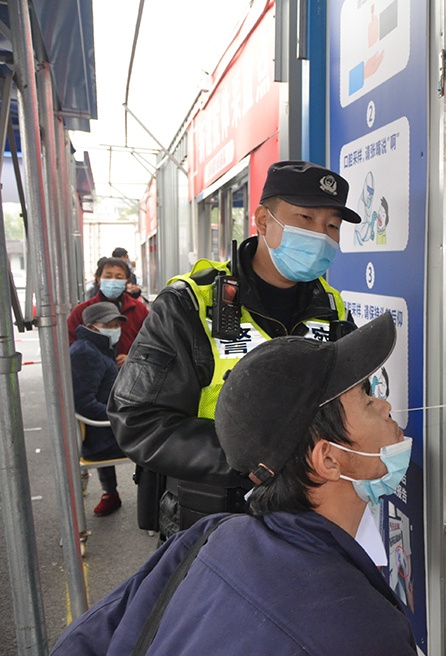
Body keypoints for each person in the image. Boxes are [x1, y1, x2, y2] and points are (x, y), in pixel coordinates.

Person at [51, 313, 417, 655]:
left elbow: (88, 637)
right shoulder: (363, 630)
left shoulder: (208, 536)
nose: (385, 406)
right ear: (329, 460)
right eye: (367, 400)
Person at [108, 160, 361, 540]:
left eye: (332, 227)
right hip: (211, 522)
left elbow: (352, 402)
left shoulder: (333, 309)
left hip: (309, 516)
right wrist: (256, 461)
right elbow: (137, 419)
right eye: (305, 218)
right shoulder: (189, 304)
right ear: (262, 220)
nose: (320, 236)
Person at [70, 302, 129, 516]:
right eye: (108, 324)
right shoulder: (85, 353)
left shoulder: (96, 348)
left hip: (101, 433)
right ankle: (152, 503)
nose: (114, 329)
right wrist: (121, 417)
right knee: (153, 440)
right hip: (102, 439)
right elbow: (83, 403)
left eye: (116, 324)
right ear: (91, 326)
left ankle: (110, 494)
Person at [69, 256, 149, 368]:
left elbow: (151, 343)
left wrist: (133, 357)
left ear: (127, 281)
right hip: (94, 375)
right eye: (108, 276)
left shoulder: (139, 309)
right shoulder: (82, 311)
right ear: (98, 279)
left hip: (131, 375)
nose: (113, 281)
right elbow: (69, 342)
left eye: (119, 277)